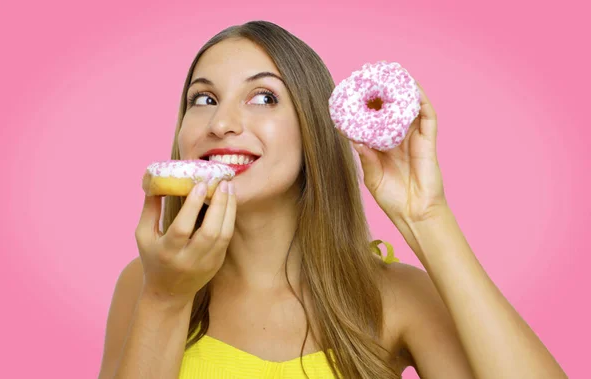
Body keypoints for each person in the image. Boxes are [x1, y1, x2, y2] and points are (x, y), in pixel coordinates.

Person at [98, 20, 567, 379]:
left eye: (263, 98)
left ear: (314, 132)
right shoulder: (146, 283)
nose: (221, 123)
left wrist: (427, 217)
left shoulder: (397, 298)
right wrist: (165, 299)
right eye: (203, 100)